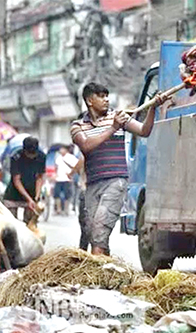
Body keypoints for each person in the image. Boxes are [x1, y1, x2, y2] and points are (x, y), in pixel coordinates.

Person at [70, 82, 167, 256]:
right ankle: (107, 270)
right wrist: (113, 127)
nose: (106, 99)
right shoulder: (78, 126)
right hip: (93, 185)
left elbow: (144, 131)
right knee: (94, 233)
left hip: (116, 181)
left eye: (107, 95)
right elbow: (86, 146)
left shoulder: (118, 117)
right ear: (89, 101)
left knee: (100, 228)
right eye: (101, 96)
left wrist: (153, 108)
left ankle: (94, 276)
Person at [2, 137, 46, 223]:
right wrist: (28, 199)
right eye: (29, 153)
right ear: (24, 150)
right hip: (14, 192)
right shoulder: (16, 157)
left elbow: (39, 177)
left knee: (30, 223)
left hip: (32, 191)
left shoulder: (41, 157)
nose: (31, 156)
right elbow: (16, 180)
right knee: (11, 223)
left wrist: (36, 197)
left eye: (34, 153)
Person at [54, 145, 79, 216]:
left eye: (62, 149)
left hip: (67, 179)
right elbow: (56, 167)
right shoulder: (58, 158)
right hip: (59, 179)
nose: (60, 150)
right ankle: (58, 209)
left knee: (67, 195)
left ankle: (66, 210)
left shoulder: (71, 157)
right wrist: (55, 175)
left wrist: (72, 174)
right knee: (57, 194)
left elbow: (77, 165)